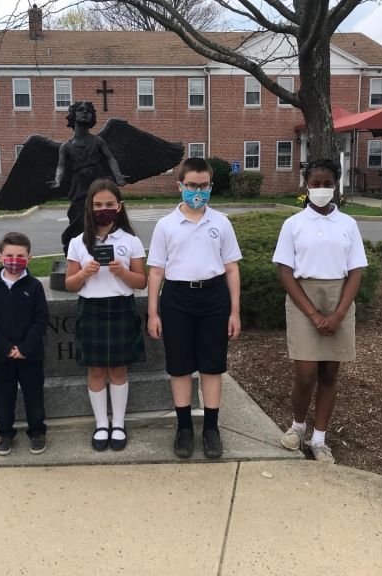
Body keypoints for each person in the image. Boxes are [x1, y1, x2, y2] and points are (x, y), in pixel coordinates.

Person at [272, 159, 368, 463]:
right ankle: (298, 426)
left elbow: (355, 271)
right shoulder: (294, 224)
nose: (322, 189)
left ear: (336, 184)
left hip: (339, 297)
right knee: (305, 374)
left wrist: (339, 313)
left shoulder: (348, 224)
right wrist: (313, 314)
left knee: (329, 373)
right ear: (306, 185)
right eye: (316, 183)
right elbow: (285, 272)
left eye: (328, 184)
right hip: (304, 298)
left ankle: (319, 439)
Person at [147, 157, 242, 459]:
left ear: (211, 186)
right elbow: (156, 272)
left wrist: (235, 311)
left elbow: (231, 269)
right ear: (180, 186)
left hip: (214, 298)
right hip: (177, 299)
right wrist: (153, 312)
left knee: (213, 365)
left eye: (203, 185)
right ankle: (184, 427)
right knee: (180, 366)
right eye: (192, 186)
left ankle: (211, 428)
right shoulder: (165, 226)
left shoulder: (221, 223)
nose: (197, 191)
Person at [65, 179, 147, 451]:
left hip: (121, 307)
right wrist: (83, 273)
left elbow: (141, 282)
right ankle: (102, 424)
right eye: (98, 205)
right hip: (91, 309)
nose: (104, 209)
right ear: (89, 207)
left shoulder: (131, 241)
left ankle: (119, 423)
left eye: (109, 204)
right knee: (96, 370)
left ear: (119, 206)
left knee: (119, 370)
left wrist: (121, 272)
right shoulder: (78, 242)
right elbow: (70, 284)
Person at [0, 232, 49, 456]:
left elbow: (41, 320)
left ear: (29, 258)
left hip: (31, 356)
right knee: (4, 396)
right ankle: (5, 433)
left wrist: (25, 348)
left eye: (20, 255)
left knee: (33, 395)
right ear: (0, 256)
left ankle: (37, 431)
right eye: (9, 255)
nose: (14, 260)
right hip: (2, 356)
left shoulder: (35, 287)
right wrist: (6, 347)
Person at [53, 101, 126, 255]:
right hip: (79, 186)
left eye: (88, 110)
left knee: (100, 217)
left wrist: (118, 176)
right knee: (77, 219)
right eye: (80, 110)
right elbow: (61, 166)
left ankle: (100, 250)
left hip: (96, 181)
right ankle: (73, 251)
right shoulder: (66, 147)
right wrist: (58, 179)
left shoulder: (98, 141)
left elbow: (110, 158)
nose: (85, 112)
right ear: (73, 116)